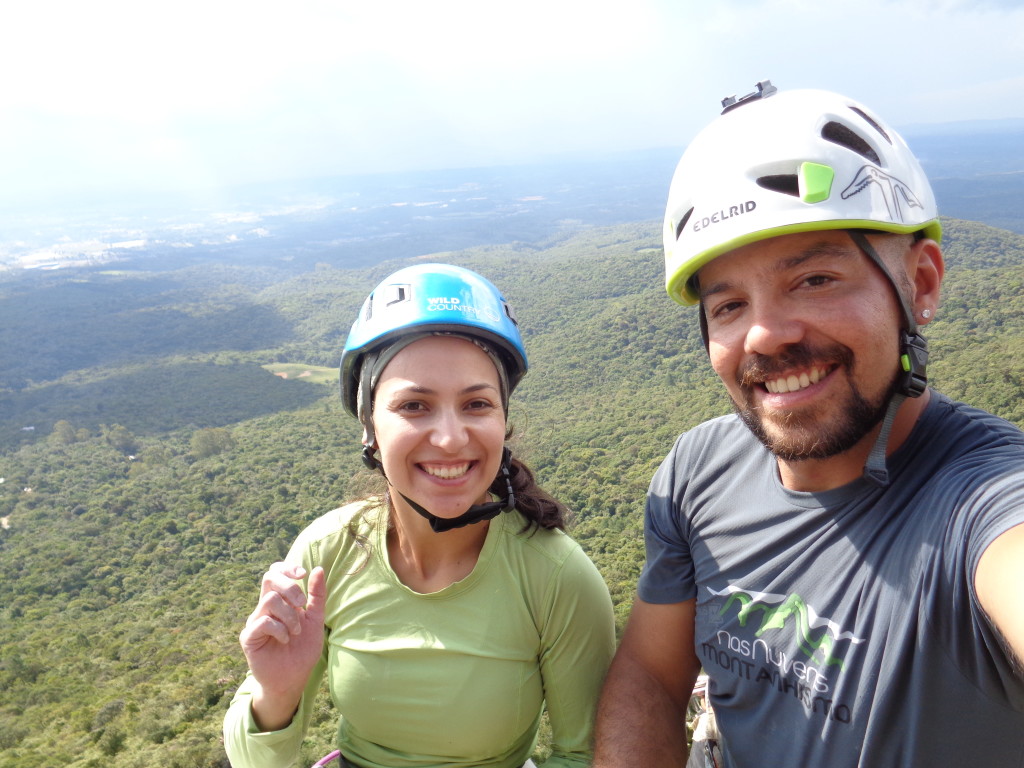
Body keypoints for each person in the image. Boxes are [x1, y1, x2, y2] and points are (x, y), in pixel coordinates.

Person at [594, 82, 1024, 767]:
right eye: (729, 305)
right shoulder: (695, 473)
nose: (764, 336)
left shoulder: (982, 500)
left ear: (922, 283)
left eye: (816, 279)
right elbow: (651, 672)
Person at [224, 263, 616, 768]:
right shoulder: (327, 554)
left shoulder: (555, 576)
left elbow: (583, 755)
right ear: (370, 428)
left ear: (503, 421)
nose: (451, 438)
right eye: (414, 406)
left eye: (476, 403)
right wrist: (275, 693)